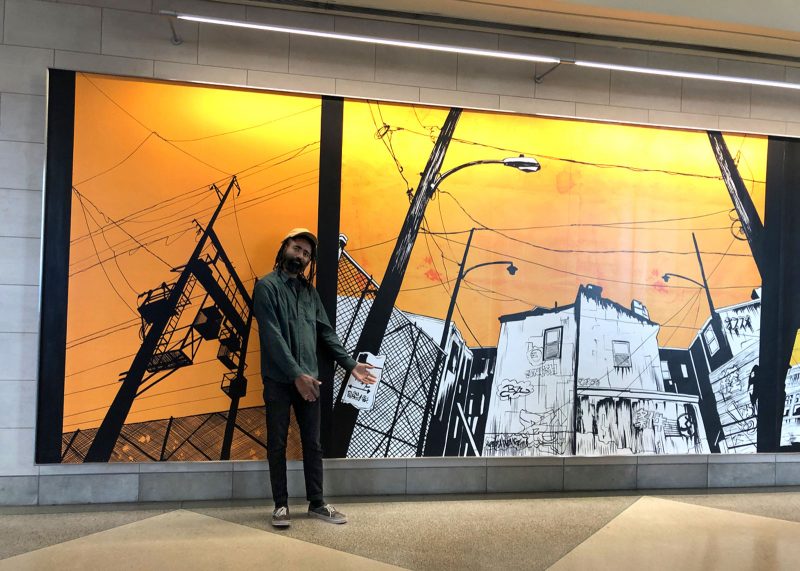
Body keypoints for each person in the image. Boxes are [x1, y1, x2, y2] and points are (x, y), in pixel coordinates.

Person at [253, 228, 376, 528]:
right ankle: (280, 506)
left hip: (311, 380)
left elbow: (325, 333)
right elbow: (272, 336)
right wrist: (296, 375)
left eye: (306, 254)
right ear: (284, 248)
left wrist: (350, 364)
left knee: (313, 444)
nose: (301, 257)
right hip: (279, 381)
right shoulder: (266, 287)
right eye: (297, 249)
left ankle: (317, 503)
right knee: (277, 443)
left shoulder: (309, 294)